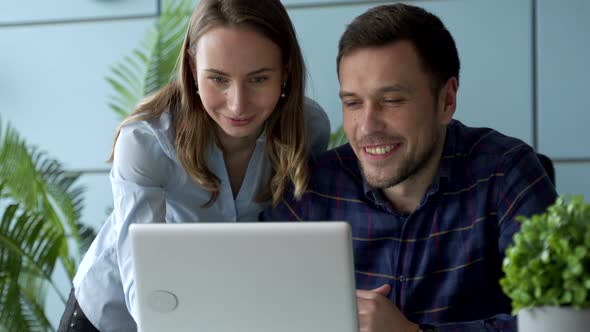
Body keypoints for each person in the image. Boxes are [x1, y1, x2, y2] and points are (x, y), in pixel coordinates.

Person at [261, 3, 556, 332]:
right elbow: (261, 306)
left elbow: (560, 319)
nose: (367, 126)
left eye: (392, 100)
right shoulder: (313, 187)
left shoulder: (506, 173)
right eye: (353, 103)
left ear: (446, 100)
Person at [58, 0, 330, 331]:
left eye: (258, 79)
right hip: (112, 312)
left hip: (221, 307)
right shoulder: (146, 142)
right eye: (218, 79)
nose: (238, 103)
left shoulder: (309, 128)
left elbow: (299, 240)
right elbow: (141, 279)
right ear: (192, 67)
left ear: (285, 70)